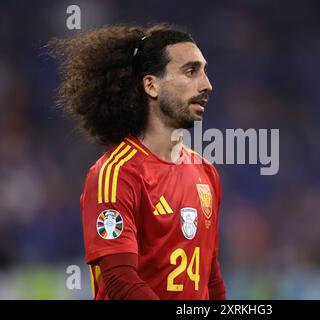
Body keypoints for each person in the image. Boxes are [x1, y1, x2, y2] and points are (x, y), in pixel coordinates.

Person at [49, 23, 226, 300]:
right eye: (191, 71)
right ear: (151, 85)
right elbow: (121, 281)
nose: (207, 85)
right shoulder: (115, 174)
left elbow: (211, 279)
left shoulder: (206, 173)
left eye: (204, 71)